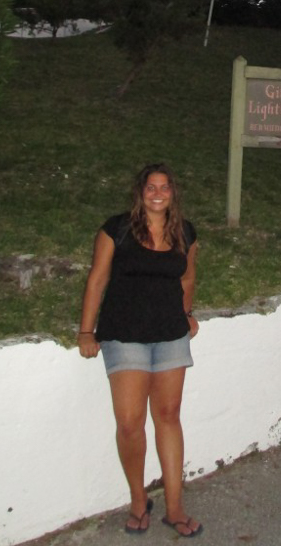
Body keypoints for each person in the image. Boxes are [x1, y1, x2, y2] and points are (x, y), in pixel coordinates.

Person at [78, 162, 202, 538]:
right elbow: (97, 279)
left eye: (164, 187)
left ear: (173, 192)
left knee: (168, 415)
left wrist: (187, 314)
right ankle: (137, 499)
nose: (158, 193)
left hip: (169, 334)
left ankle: (175, 507)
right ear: (141, 191)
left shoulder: (185, 232)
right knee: (130, 422)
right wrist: (86, 331)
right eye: (151, 186)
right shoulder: (116, 229)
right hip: (124, 334)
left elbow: (187, 276)